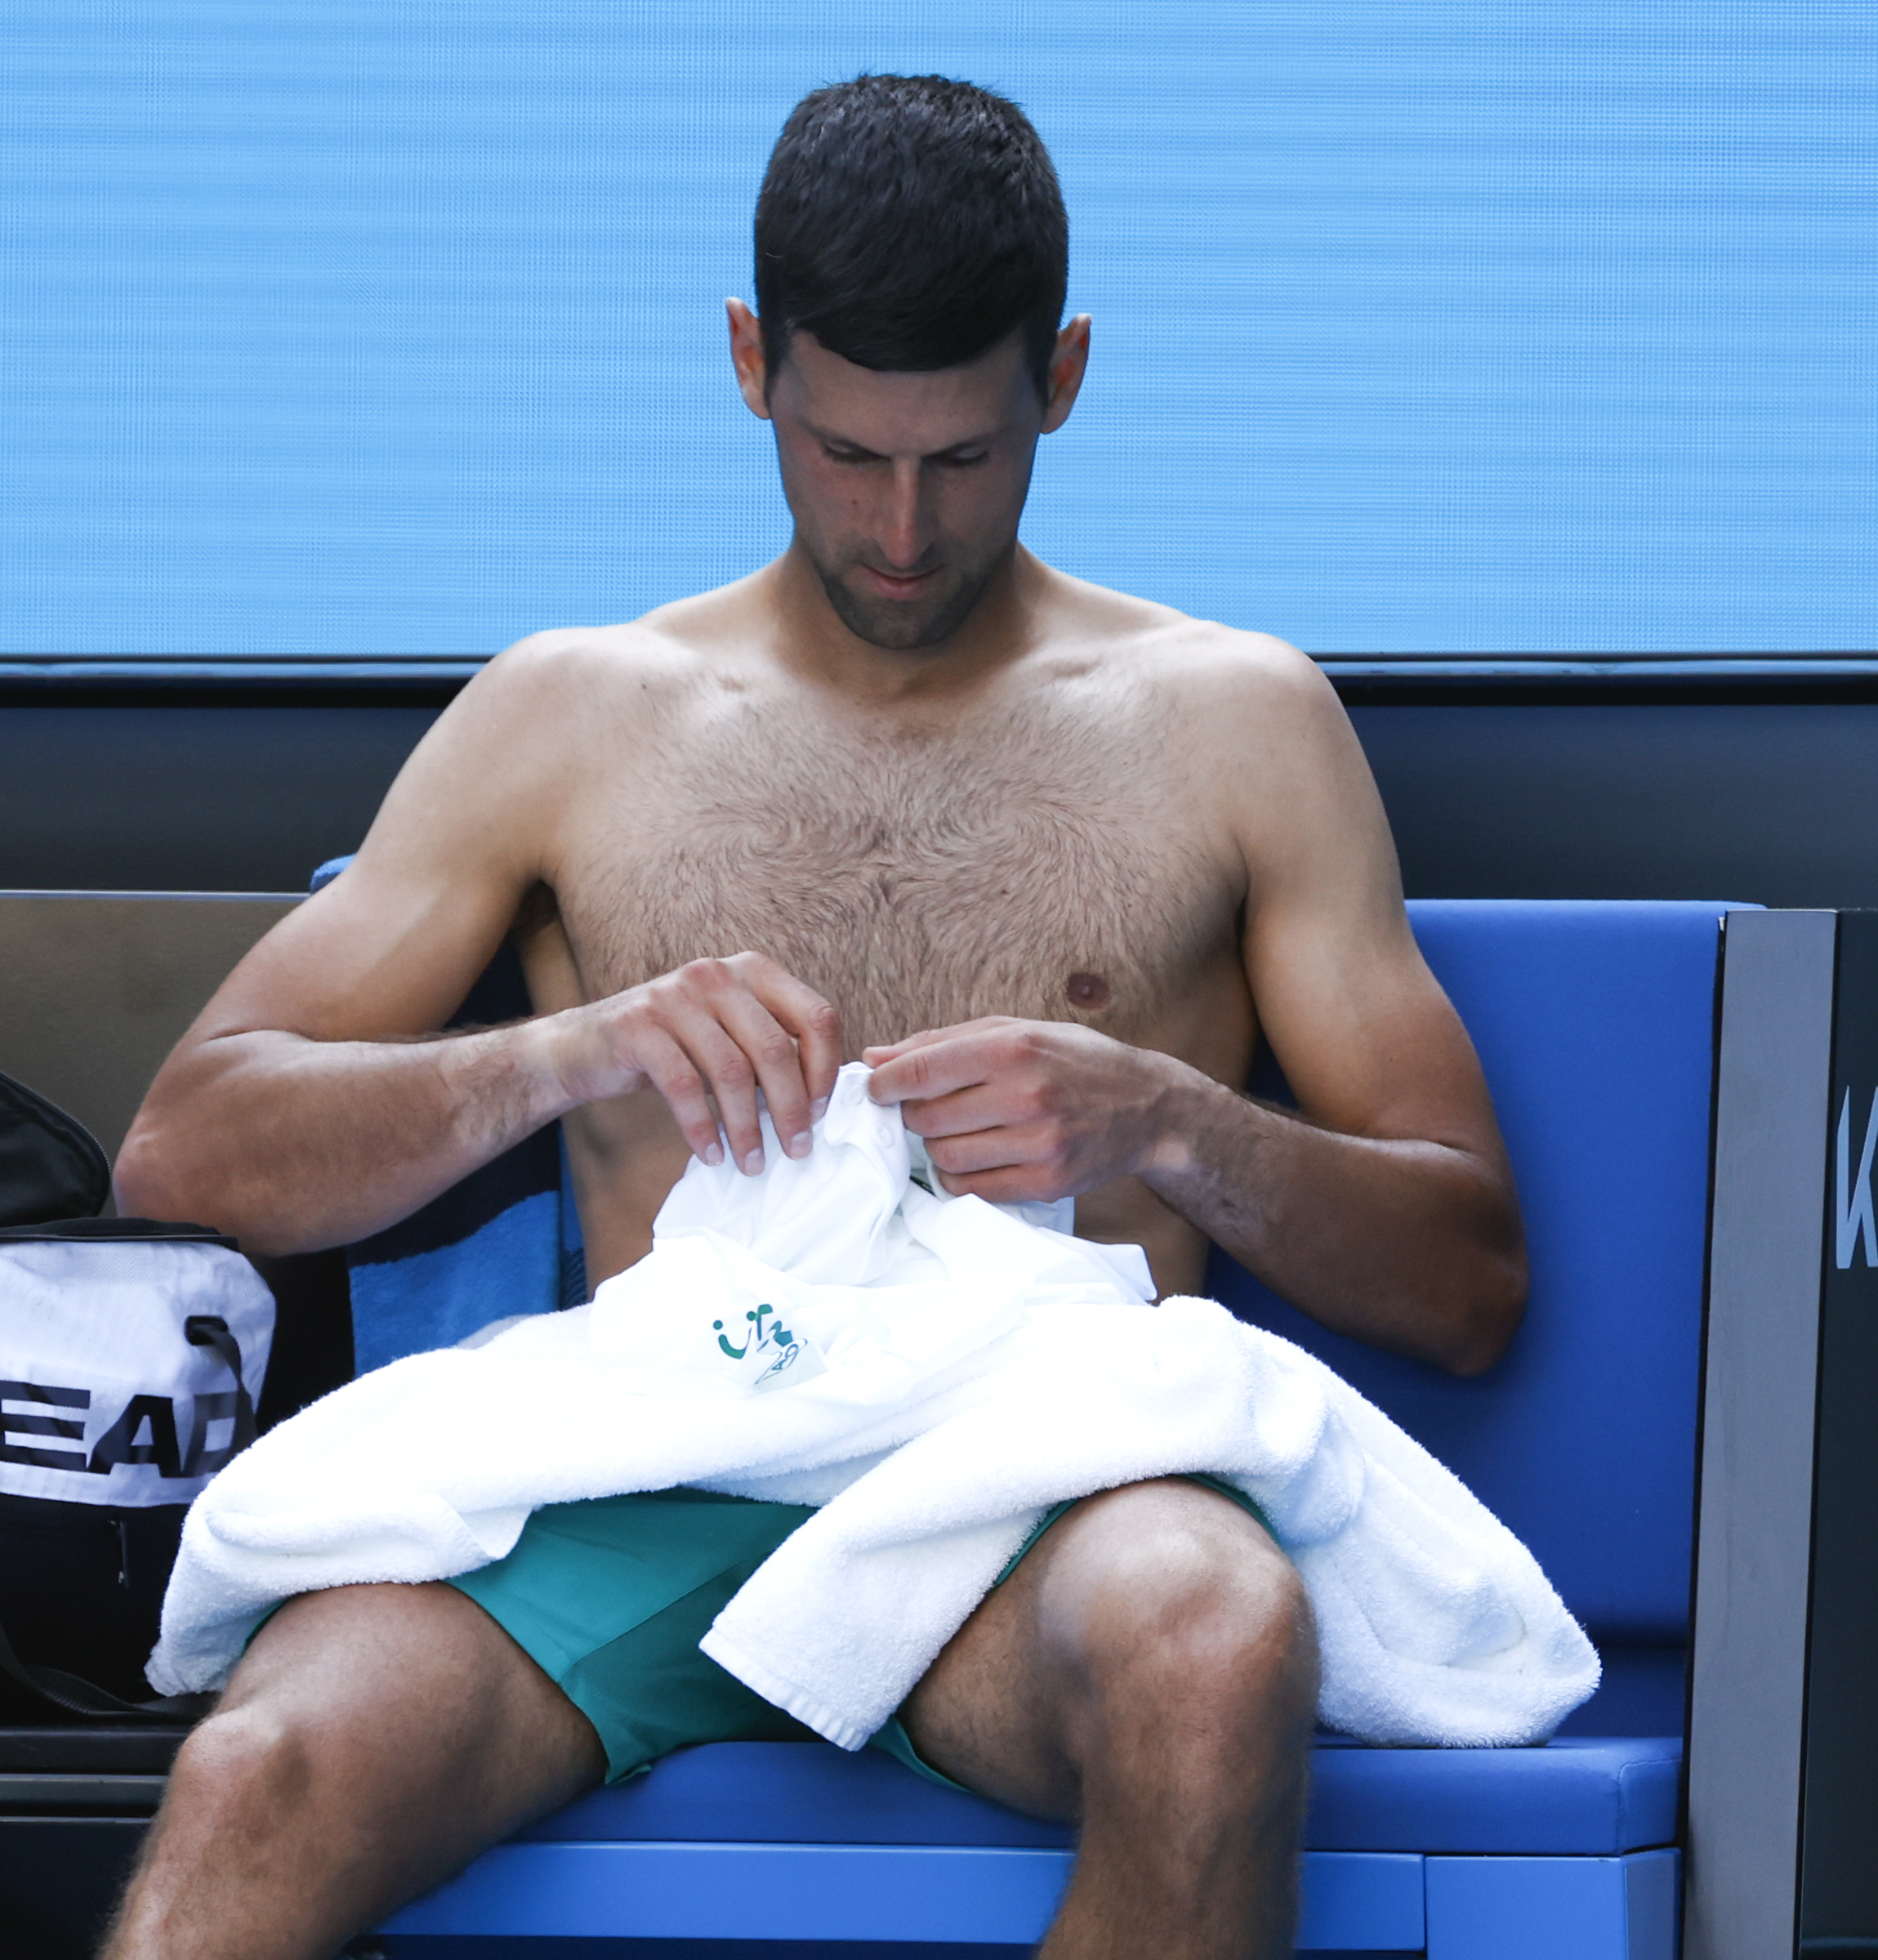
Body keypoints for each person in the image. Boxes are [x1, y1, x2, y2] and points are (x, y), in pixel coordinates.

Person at [104, 74, 1525, 1960]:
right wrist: (578, 1048)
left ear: (1063, 378)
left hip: (1041, 1495)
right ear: (747, 362)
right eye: (848, 453)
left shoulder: (1236, 724)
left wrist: (1169, 1122)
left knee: (1214, 1640)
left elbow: (1466, 1278)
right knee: (255, 1774)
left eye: (963, 457)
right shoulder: (570, 713)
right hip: (647, 1480)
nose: (904, 529)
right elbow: (184, 1156)